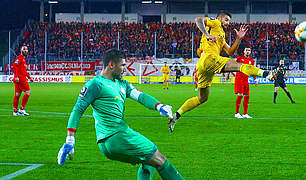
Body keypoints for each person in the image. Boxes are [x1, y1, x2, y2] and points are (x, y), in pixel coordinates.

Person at [57, 49, 184, 180]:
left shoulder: (123, 84)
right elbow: (78, 110)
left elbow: (140, 96)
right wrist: (70, 140)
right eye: (122, 65)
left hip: (107, 143)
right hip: (118, 136)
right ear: (111, 65)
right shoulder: (96, 84)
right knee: (160, 159)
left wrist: (159, 106)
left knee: (149, 161)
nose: (125, 69)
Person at [168, 11, 280, 132]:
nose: (228, 23)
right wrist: (206, 34)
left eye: (229, 21)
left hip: (203, 66)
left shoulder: (221, 35)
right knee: (240, 66)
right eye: (226, 20)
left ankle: (176, 115)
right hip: (209, 58)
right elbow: (198, 20)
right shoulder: (215, 23)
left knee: (202, 98)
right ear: (219, 18)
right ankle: (267, 74)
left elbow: (230, 52)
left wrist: (238, 39)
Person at [230, 47, 258, 119]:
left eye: (249, 50)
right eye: (246, 50)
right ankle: (237, 113)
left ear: (250, 52)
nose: (247, 51)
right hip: (239, 79)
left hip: (246, 79)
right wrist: (228, 74)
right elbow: (232, 65)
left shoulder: (251, 61)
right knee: (240, 95)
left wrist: (255, 79)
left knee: (247, 96)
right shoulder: (239, 58)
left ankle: (245, 113)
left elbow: (252, 71)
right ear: (244, 51)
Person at [12, 45, 33, 116]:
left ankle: (15, 111)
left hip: (19, 79)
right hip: (21, 79)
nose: (26, 51)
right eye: (24, 49)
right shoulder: (19, 58)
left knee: (17, 95)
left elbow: (24, 71)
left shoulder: (23, 59)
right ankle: (22, 109)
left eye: (26, 49)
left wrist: (29, 77)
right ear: (21, 50)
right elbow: (15, 67)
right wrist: (17, 76)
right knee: (28, 93)